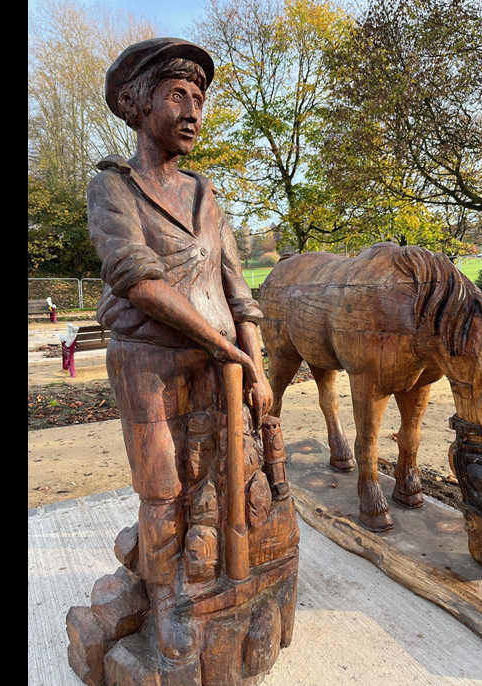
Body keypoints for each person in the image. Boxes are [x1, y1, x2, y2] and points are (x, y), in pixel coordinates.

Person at [86, 37, 273, 672]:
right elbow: (137, 279)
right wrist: (225, 348)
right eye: (177, 97)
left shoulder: (206, 193)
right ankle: (168, 596)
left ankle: (209, 573)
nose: (193, 111)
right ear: (137, 105)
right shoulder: (114, 188)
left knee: (220, 476)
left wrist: (255, 359)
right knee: (164, 487)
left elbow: (236, 285)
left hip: (221, 367)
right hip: (148, 364)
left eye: (199, 99)